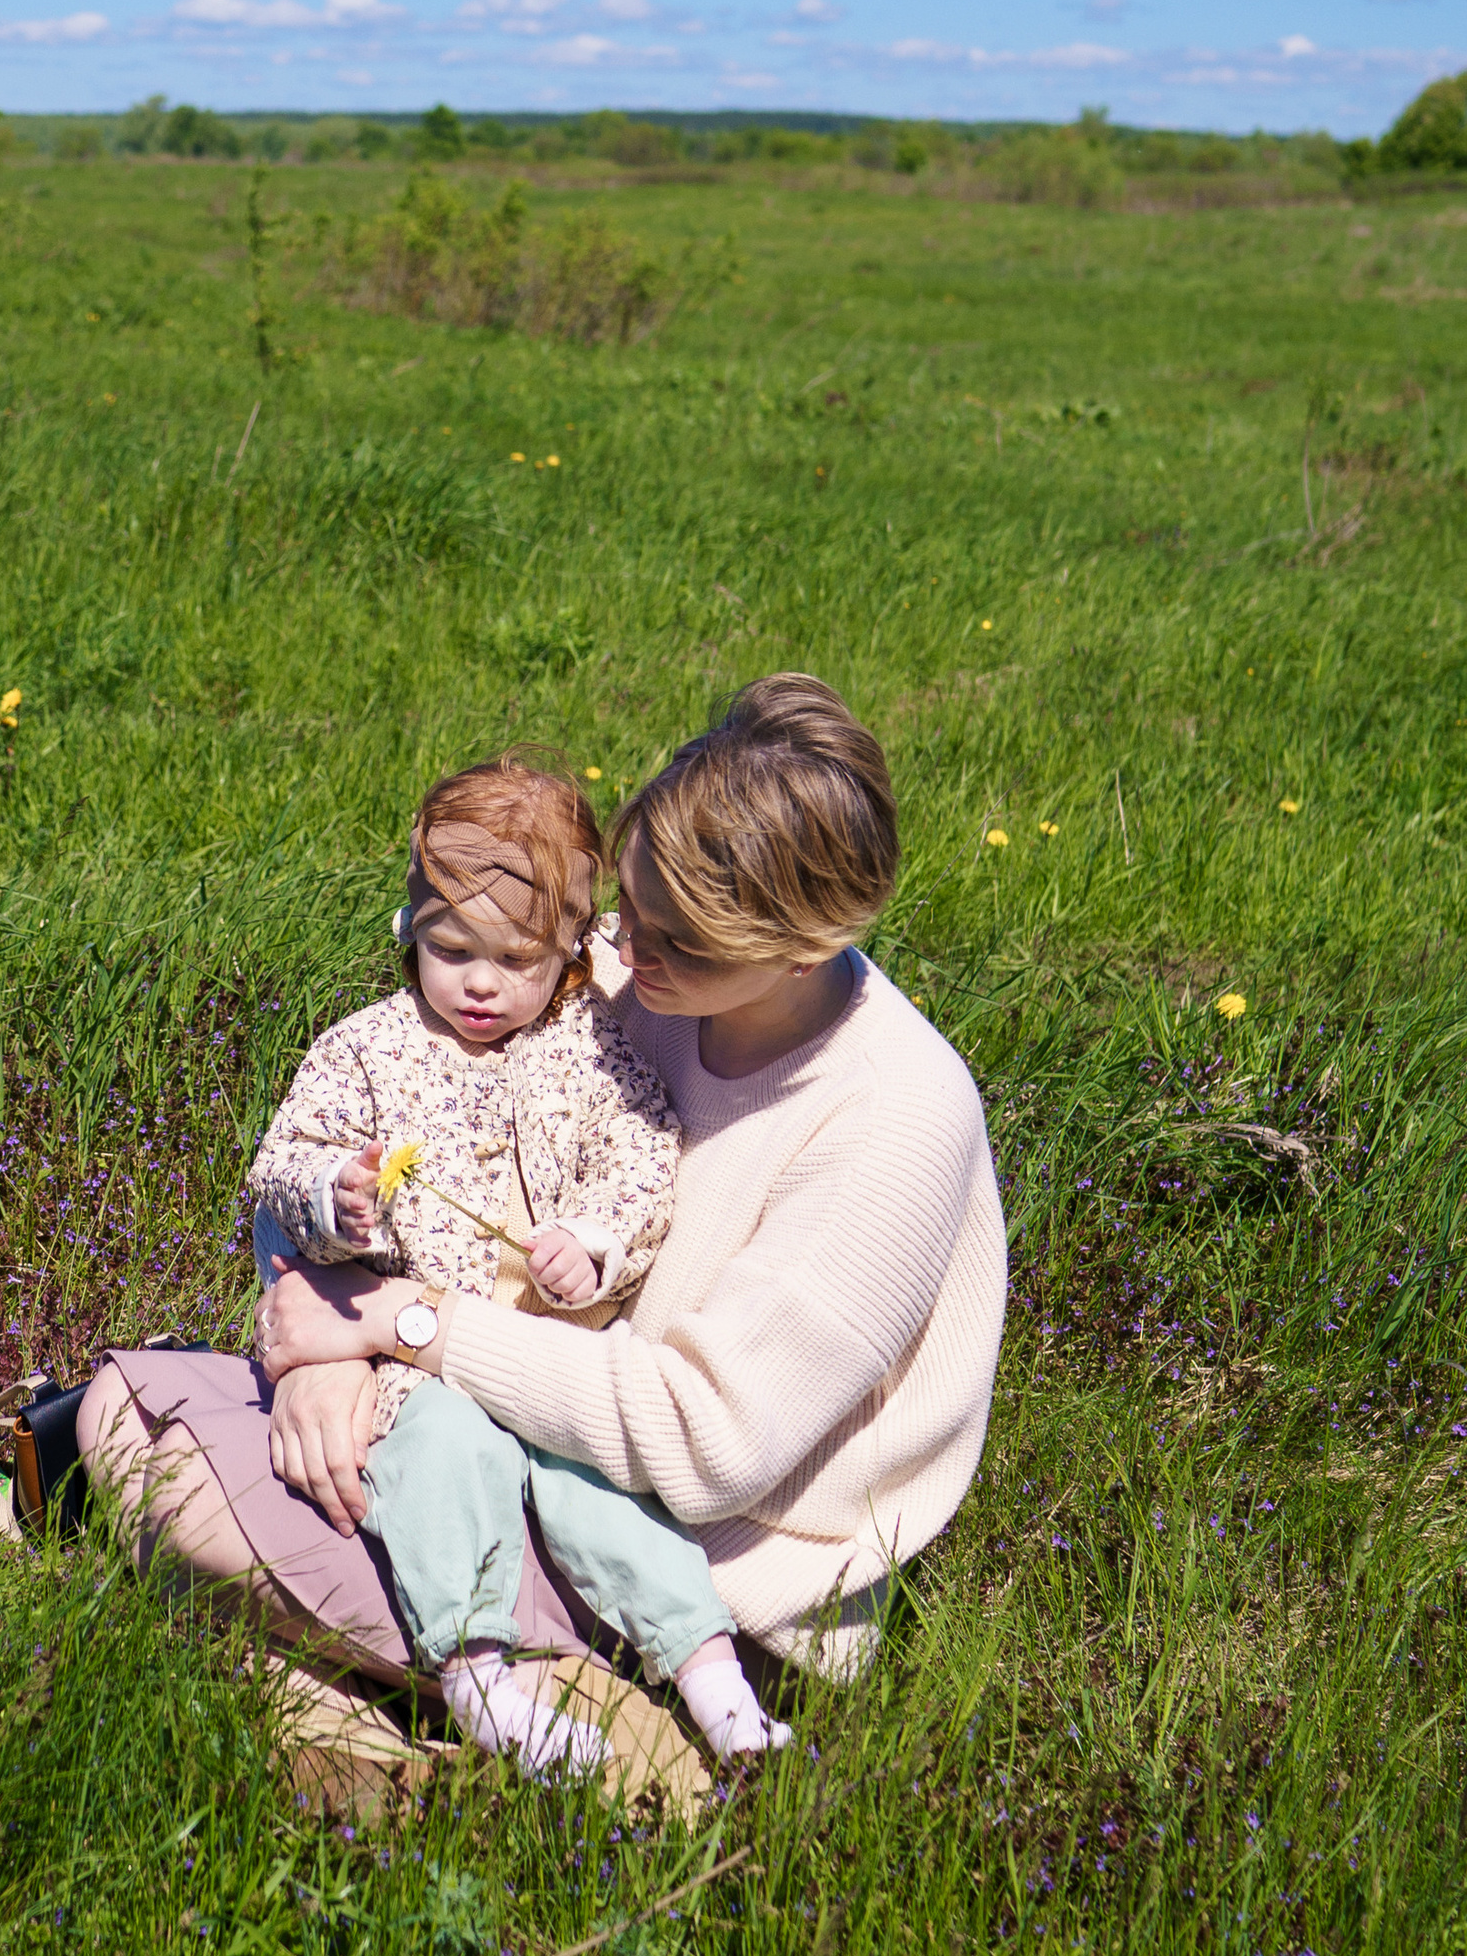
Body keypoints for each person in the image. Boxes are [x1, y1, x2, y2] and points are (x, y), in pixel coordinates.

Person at [78, 676, 1007, 1760]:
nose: (619, 952)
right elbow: (351, 1140)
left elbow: (705, 1449)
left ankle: (598, 1724)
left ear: (801, 950)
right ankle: (404, 1692)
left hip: (693, 1558)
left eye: (678, 941)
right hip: (496, 1428)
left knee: (145, 1437)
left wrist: (397, 1325)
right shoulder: (623, 981)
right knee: (135, 1404)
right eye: (627, 905)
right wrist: (321, 1356)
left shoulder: (892, 1118)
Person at [241, 756, 788, 1767]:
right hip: (414, 1367)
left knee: (604, 1496)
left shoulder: (591, 1051)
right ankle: (476, 1673)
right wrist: (336, 1201)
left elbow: (638, 1160)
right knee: (452, 1458)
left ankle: (714, 1678)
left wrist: (590, 1244)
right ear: (410, 934)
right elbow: (283, 1163)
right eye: (451, 950)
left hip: (545, 1357)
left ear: (573, 955)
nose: (481, 984)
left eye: (517, 961)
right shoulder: (367, 1048)